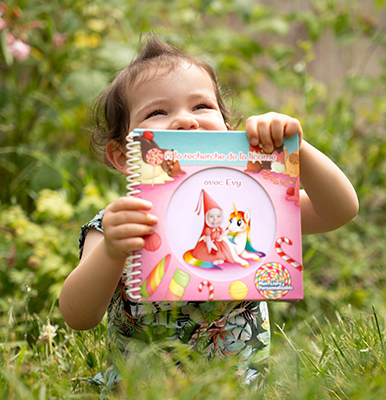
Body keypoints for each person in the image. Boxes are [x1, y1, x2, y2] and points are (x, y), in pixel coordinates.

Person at [59, 33, 359, 391]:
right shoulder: (118, 224)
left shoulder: (251, 202)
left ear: (228, 131)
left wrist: (297, 149)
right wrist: (112, 250)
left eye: (201, 106)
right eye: (158, 112)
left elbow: (339, 210)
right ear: (123, 155)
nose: (187, 121)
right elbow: (78, 316)